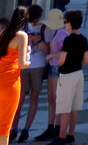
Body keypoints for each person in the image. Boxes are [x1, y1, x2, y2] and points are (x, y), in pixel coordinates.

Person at [0, 7, 30, 145]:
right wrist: (28, 60)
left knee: (3, 122)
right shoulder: (22, 36)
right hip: (10, 82)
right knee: (5, 125)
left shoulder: (2, 34)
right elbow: (22, 64)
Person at [14, 5, 49, 141]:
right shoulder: (22, 28)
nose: (34, 22)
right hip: (23, 66)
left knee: (34, 97)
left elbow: (47, 50)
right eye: (32, 20)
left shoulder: (44, 28)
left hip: (38, 66)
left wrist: (38, 40)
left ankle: (26, 129)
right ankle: (14, 128)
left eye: (36, 19)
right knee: (19, 99)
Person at [54, 11, 88, 145]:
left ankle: (61, 137)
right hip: (79, 74)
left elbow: (62, 60)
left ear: (69, 23)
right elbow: (86, 59)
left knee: (65, 107)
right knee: (75, 107)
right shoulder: (83, 39)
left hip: (67, 75)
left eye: (65, 22)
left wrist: (55, 59)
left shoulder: (68, 39)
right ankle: (70, 134)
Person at [35, 8, 66, 141]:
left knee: (58, 98)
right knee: (51, 97)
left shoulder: (65, 33)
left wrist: (52, 55)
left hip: (61, 67)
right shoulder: (48, 30)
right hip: (51, 66)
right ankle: (50, 126)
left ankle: (58, 127)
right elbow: (47, 48)